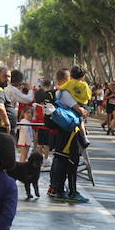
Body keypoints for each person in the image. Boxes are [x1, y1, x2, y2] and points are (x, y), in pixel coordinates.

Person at [50, 68, 90, 203]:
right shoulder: (69, 93)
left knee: (61, 161)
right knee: (72, 162)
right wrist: (83, 110)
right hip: (71, 132)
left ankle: (59, 190)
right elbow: (80, 111)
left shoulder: (62, 91)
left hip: (63, 131)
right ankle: (71, 192)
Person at [5, 69, 35, 140]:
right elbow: (28, 99)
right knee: (10, 139)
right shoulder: (13, 90)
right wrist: (30, 89)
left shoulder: (7, 87)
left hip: (6, 116)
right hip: (9, 117)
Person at [34, 78, 55, 166]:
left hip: (39, 124)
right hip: (46, 124)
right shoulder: (49, 96)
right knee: (46, 144)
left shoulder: (38, 94)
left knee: (39, 143)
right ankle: (45, 159)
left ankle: (38, 160)